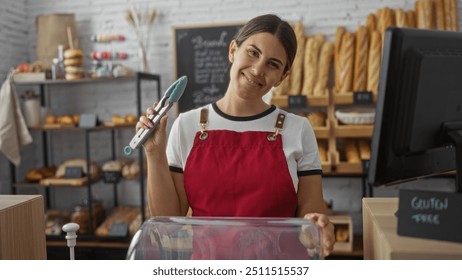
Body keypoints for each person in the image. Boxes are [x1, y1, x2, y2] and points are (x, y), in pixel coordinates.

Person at [137, 14, 335, 257]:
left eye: (273, 64)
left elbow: (310, 221)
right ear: (233, 50)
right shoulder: (186, 125)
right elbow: (167, 222)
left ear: (282, 76)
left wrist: (318, 228)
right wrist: (154, 154)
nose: (258, 69)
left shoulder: (298, 129)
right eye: (253, 52)